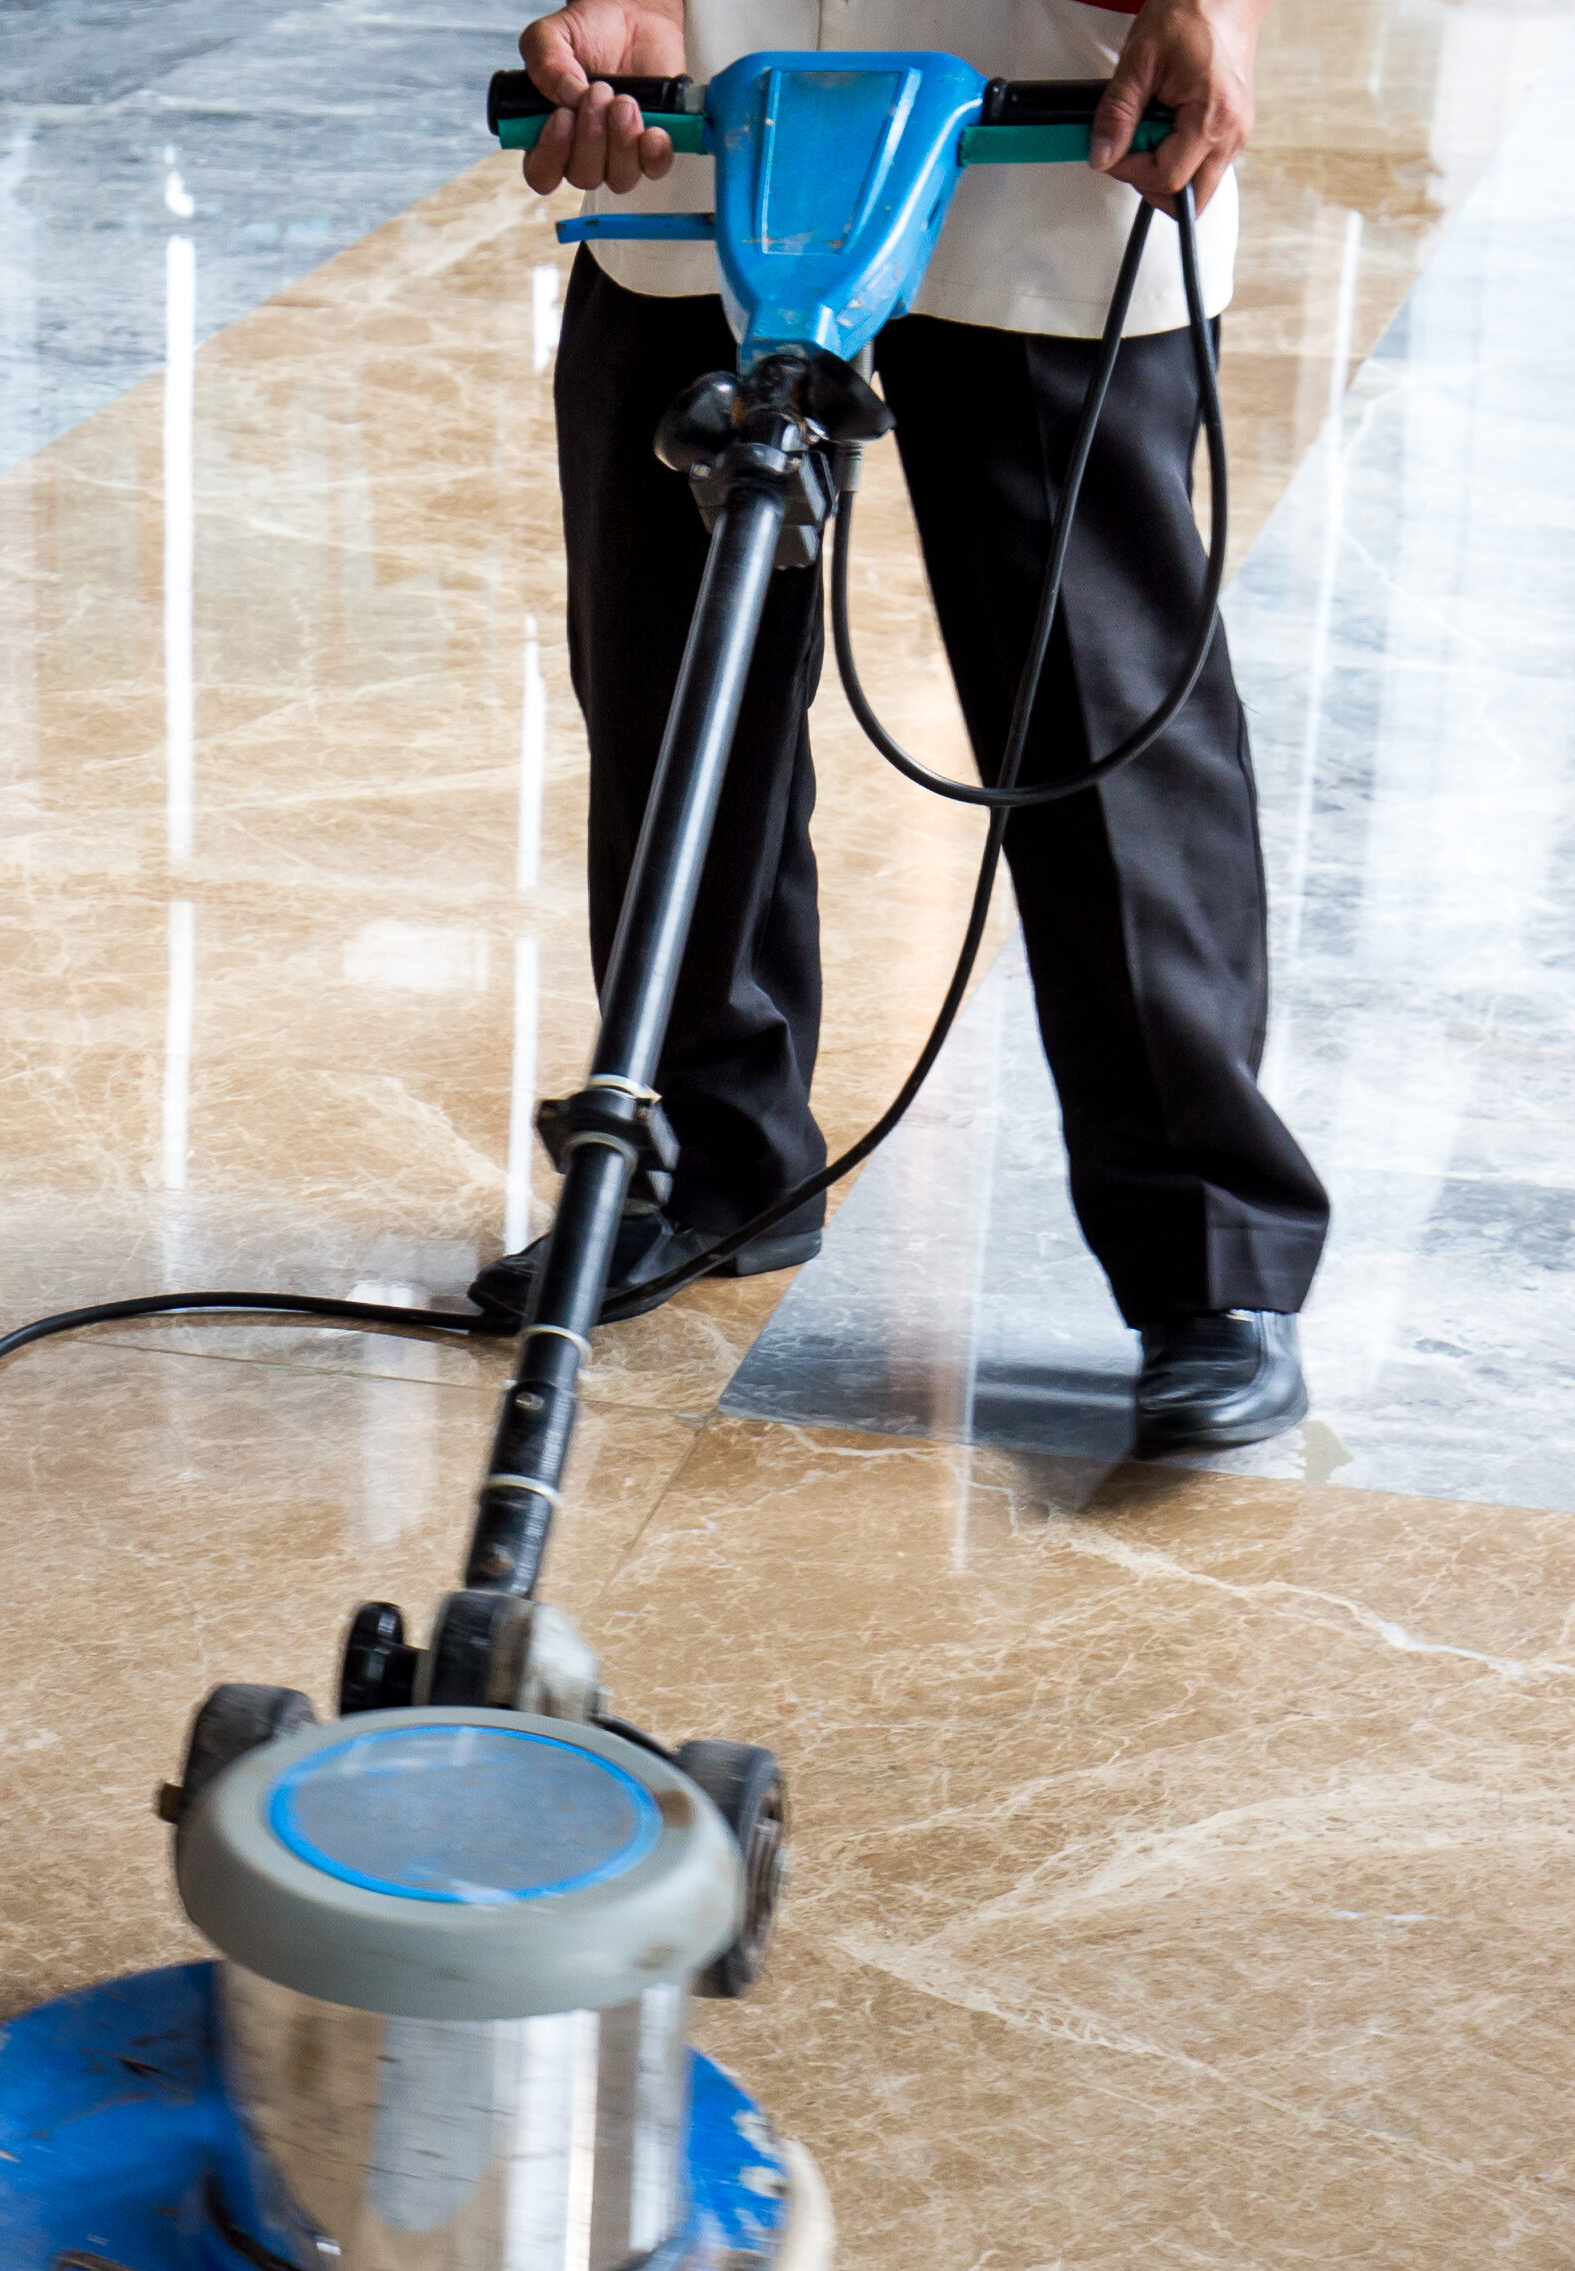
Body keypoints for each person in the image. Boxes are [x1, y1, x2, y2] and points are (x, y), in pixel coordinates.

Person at [493, 0, 1325, 1453]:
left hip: (1053, 87)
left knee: (1096, 706)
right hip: (711, 96)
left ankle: (1211, 1257)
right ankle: (703, 1154)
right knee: (668, 673)